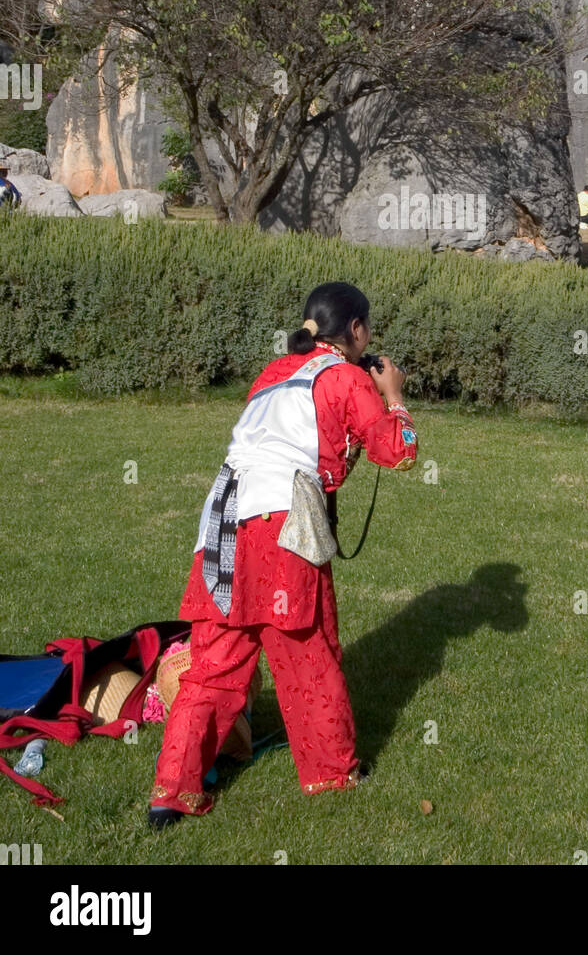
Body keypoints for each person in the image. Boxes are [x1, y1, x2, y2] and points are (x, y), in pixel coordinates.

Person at [148, 281, 417, 827]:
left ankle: (172, 793)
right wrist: (394, 396)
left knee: (212, 667)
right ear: (358, 331)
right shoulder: (346, 376)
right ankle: (331, 773)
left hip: (223, 518)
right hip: (283, 522)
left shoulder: (271, 373)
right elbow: (397, 452)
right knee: (306, 650)